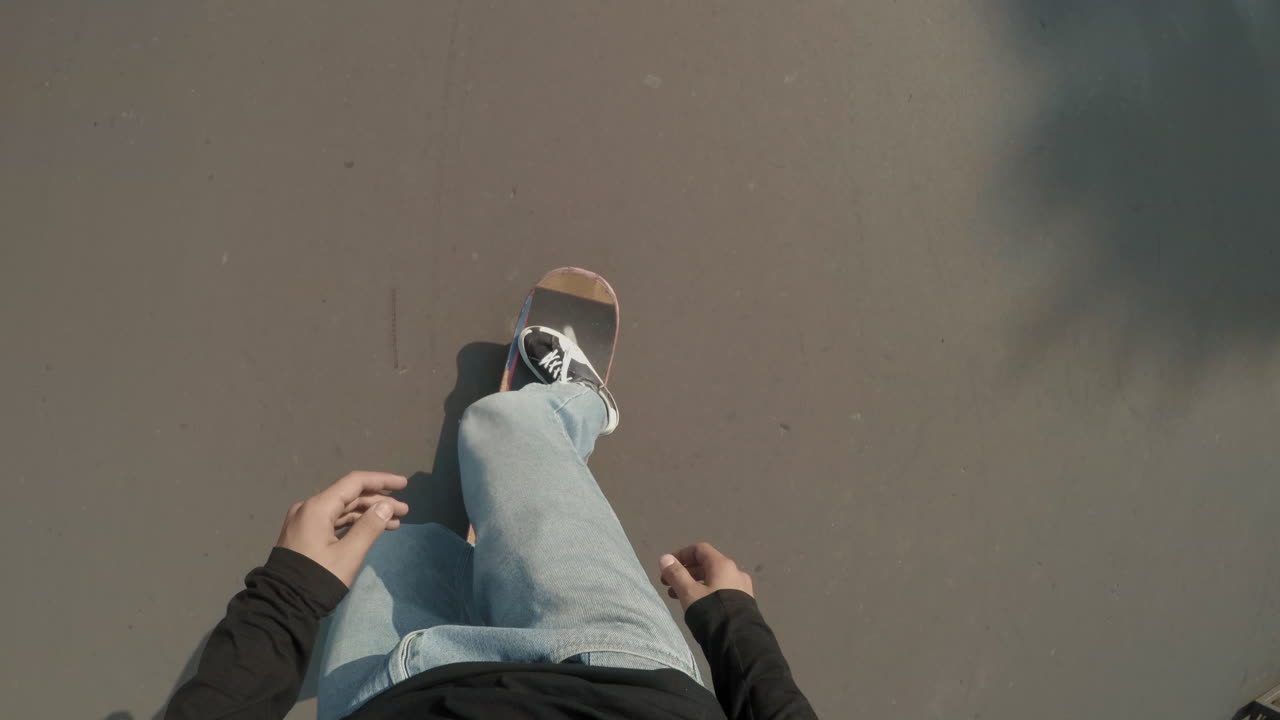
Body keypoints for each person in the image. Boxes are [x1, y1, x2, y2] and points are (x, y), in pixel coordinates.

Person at [165, 326, 817, 719]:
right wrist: (732, 622)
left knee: (397, 543)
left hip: (394, 687)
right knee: (503, 426)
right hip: (613, 672)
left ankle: (487, 573)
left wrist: (293, 591)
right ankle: (579, 408)